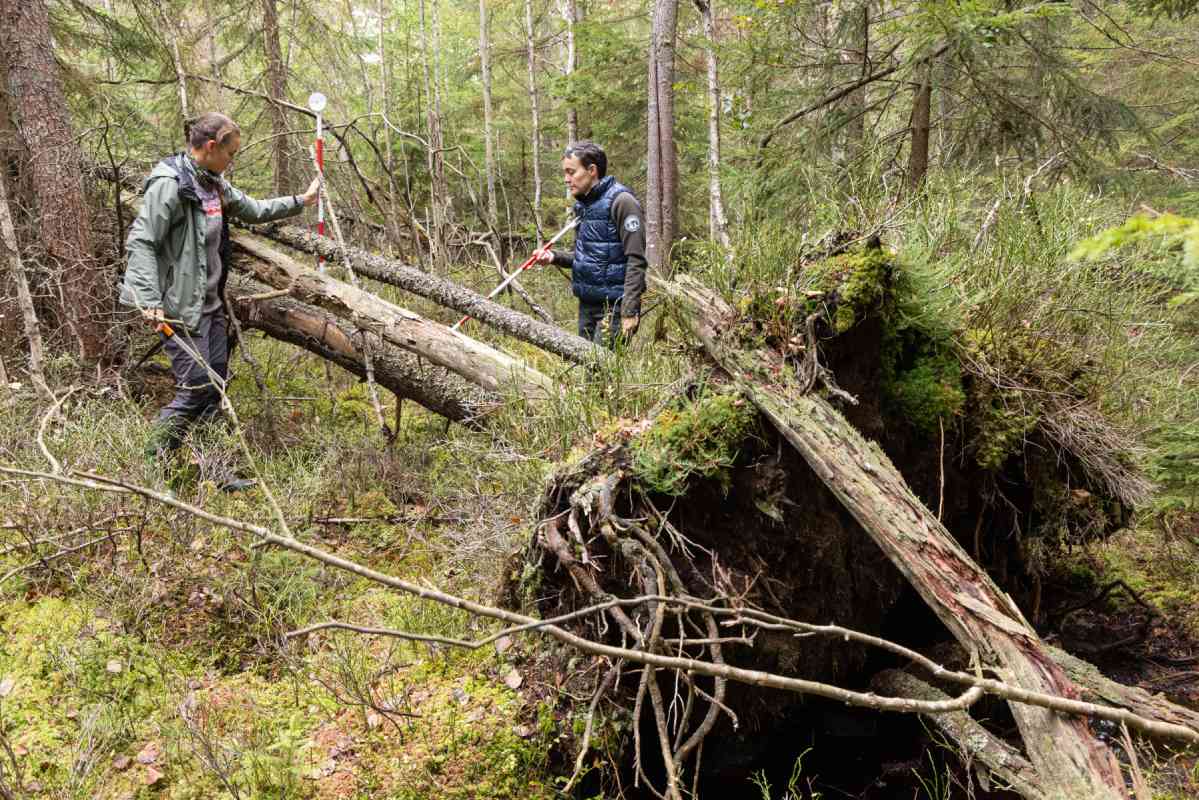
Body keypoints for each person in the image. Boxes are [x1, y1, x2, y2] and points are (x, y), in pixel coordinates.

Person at [121, 111, 319, 471]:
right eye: (230, 153)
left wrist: (300, 201)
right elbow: (142, 241)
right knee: (197, 386)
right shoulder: (171, 184)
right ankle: (150, 465)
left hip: (211, 308)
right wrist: (147, 299)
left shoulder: (213, 182)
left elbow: (254, 209)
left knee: (214, 389)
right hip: (180, 310)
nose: (232, 160)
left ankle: (216, 470)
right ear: (211, 147)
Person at [536, 141, 647, 347]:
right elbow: (589, 257)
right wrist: (554, 257)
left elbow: (636, 259)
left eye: (571, 172)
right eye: (565, 173)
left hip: (614, 307)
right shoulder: (584, 206)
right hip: (587, 304)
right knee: (582, 362)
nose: (566, 179)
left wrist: (629, 310)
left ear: (592, 170)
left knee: (601, 366)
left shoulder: (623, 201)